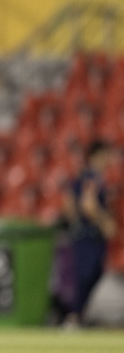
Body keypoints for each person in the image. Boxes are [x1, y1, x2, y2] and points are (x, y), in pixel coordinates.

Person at [61, 139, 116, 327]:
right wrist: (104, 222)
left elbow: (69, 201)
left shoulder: (92, 178)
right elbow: (88, 205)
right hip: (89, 236)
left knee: (93, 274)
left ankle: (78, 315)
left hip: (89, 235)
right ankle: (74, 316)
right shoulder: (92, 178)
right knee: (85, 275)